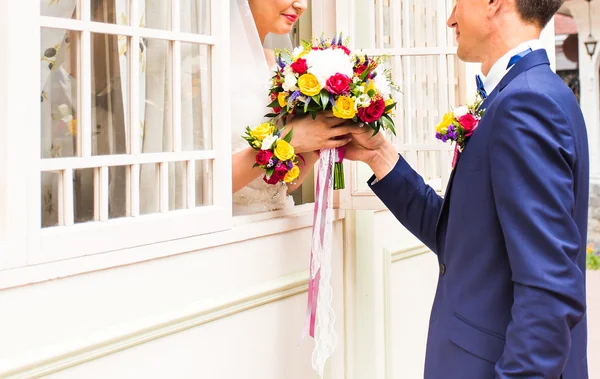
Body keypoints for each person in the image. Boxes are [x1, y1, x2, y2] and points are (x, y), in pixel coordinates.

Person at [345, 0, 589, 378]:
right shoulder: (527, 94)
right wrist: (380, 156)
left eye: (458, 1)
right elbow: (463, 238)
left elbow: (549, 289)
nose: (450, 17)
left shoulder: (527, 103)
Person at [230, 0, 354, 215]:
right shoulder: (202, 66)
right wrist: (287, 140)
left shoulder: (282, 70)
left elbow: (287, 183)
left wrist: (324, 133)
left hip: (282, 224)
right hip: (229, 229)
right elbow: (199, 186)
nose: (302, 5)